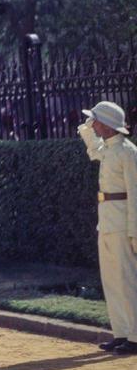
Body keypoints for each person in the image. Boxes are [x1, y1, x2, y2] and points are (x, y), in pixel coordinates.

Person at [78, 101, 137, 355]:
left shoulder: (128, 152)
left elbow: (135, 194)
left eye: (97, 120)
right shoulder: (109, 148)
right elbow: (93, 150)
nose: (95, 124)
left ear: (109, 125)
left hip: (123, 222)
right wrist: (87, 128)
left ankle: (135, 335)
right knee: (112, 280)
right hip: (108, 221)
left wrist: (135, 231)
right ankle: (121, 333)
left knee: (127, 280)